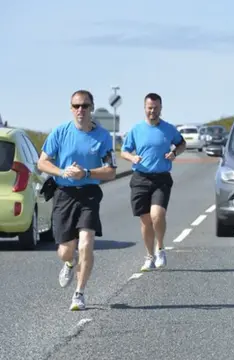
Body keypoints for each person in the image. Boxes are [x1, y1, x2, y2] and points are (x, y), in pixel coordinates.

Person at [37, 90, 116, 311]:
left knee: (86, 243)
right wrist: (62, 172)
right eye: (76, 106)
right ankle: (69, 264)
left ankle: (79, 294)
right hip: (64, 194)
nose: (80, 110)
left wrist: (87, 173)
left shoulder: (102, 136)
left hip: (89, 194)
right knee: (66, 250)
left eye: (85, 106)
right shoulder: (60, 132)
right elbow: (42, 163)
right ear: (71, 108)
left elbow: (110, 171)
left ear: (92, 108)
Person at [121, 93, 186, 272]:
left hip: (161, 178)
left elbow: (182, 144)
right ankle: (149, 255)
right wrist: (132, 157)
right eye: (150, 108)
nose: (153, 111)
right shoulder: (136, 130)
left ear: (161, 108)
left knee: (157, 215)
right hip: (140, 178)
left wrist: (174, 153)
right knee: (146, 220)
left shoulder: (168, 129)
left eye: (156, 108)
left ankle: (160, 248)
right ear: (144, 108)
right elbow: (123, 151)